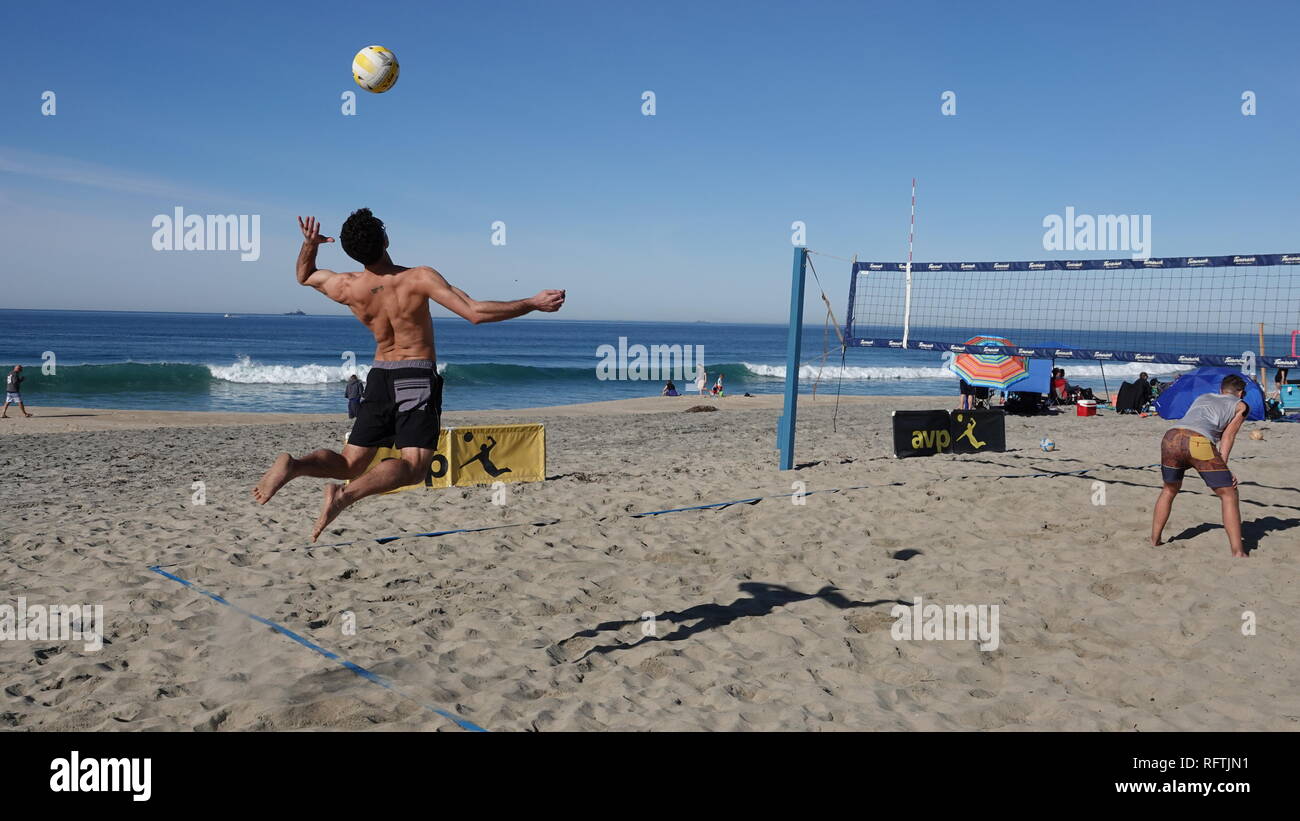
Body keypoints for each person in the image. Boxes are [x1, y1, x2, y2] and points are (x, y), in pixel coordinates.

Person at [253, 212, 565, 540]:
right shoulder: (419, 278)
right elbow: (474, 313)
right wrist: (531, 302)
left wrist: (309, 245)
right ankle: (344, 497)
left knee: (350, 464)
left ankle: (295, 466)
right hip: (415, 376)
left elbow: (305, 275)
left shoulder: (346, 286)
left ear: (350, 252)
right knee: (413, 467)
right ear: (385, 240)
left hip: (379, 376)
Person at [1151, 373, 1250, 557]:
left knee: (1169, 489)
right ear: (1241, 393)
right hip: (1198, 441)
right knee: (1228, 493)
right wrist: (1224, 467)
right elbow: (1228, 437)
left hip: (1171, 437)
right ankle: (1238, 552)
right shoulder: (1241, 406)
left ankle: (1155, 540)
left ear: (1221, 390)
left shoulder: (1203, 397)